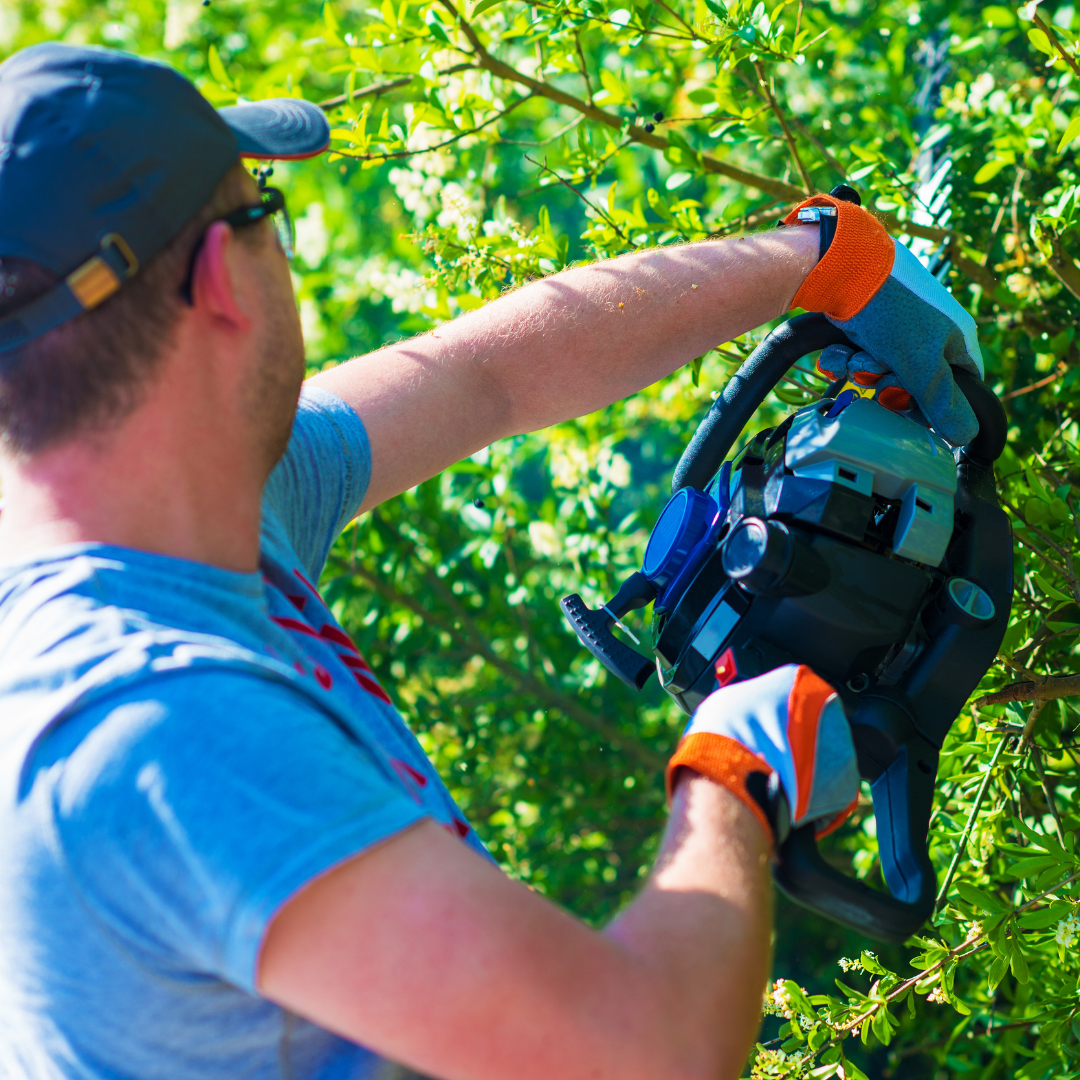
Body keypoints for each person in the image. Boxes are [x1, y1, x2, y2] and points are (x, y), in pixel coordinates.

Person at [0, 41, 982, 1080]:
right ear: (217, 279)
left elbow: (488, 374)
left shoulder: (200, 497)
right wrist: (736, 773)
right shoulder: (154, 727)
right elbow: (647, 1052)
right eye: (262, 209)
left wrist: (822, 262)